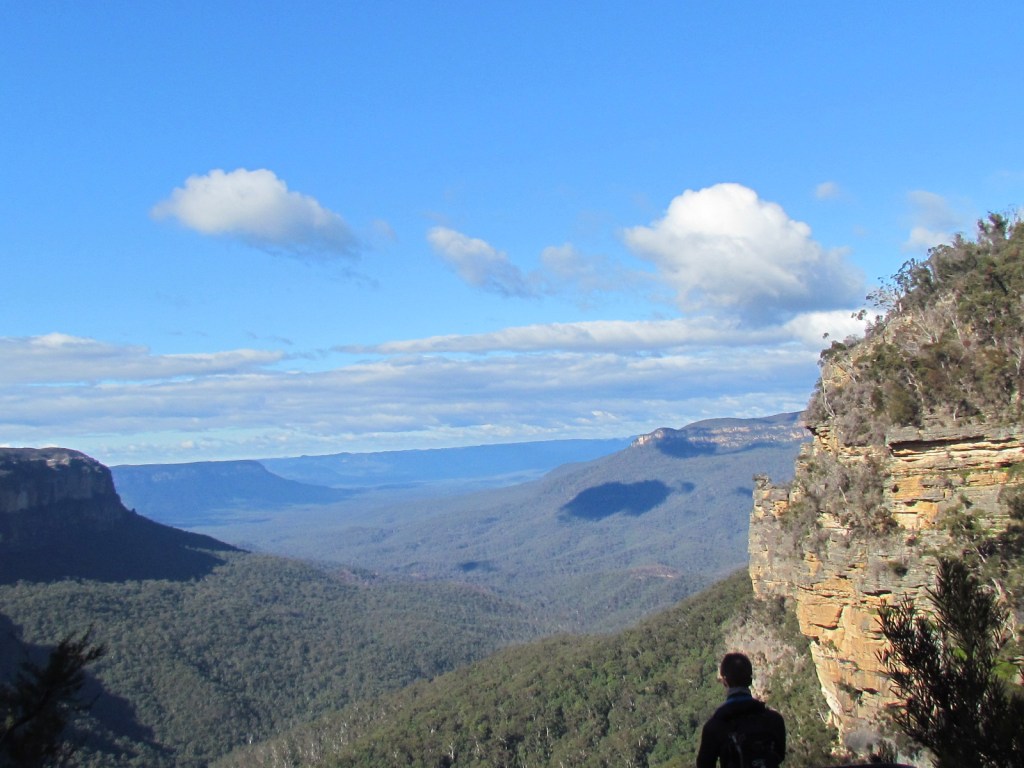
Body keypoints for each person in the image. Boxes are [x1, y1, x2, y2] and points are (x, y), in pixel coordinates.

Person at [696, 652, 786, 768]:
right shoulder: (774, 720)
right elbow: (779, 755)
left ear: (725, 681)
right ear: (750, 679)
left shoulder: (714, 727)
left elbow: (704, 764)